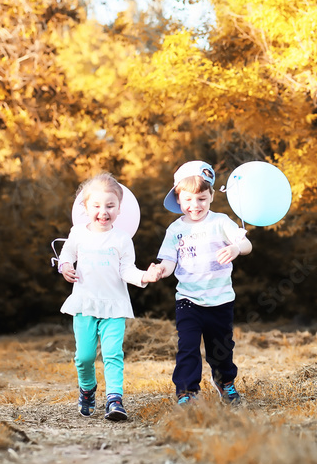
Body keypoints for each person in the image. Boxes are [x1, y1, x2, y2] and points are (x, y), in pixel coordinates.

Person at [146, 161, 252, 406]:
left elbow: (246, 244)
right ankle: (187, 392)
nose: (195, 206)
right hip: (188, 300)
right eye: (189, 200)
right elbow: (169, 261)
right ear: (178, 198)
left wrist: (236, 247)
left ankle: (225, 382)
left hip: (220, 299)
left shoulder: (220, 221)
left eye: (202, 199)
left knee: (222, 348)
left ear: (212, 196)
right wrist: (160, 270)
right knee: (188, 347)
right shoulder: (175, 230)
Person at [58, 172, 153, 421]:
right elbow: (66, 255)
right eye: (97, 206)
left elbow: (127, 270)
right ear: (85, 207)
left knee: (112, 354)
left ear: (120, 208)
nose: (104, 211)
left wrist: (144, 276)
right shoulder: (78, 233)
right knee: (84, 357)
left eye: (110, 205)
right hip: (85, 305)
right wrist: (65, 267)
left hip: (114, 306)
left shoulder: (122, 239)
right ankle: (87, 389)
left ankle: (114, 399)